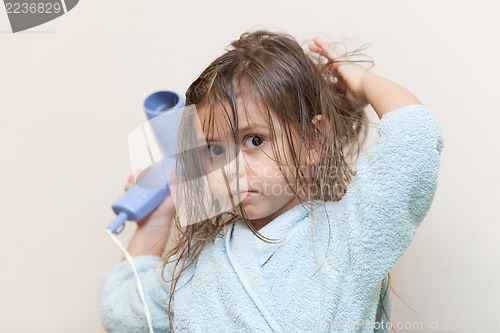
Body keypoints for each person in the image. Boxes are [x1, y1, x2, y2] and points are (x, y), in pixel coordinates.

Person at [100, 29, 444, 332]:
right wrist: (154, 224)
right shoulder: (199, 263)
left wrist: (364, 84)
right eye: (215, 149)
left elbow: (414, 138)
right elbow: (124, 313)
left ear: (314, 142)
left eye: (254, 140)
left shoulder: (350, 233)